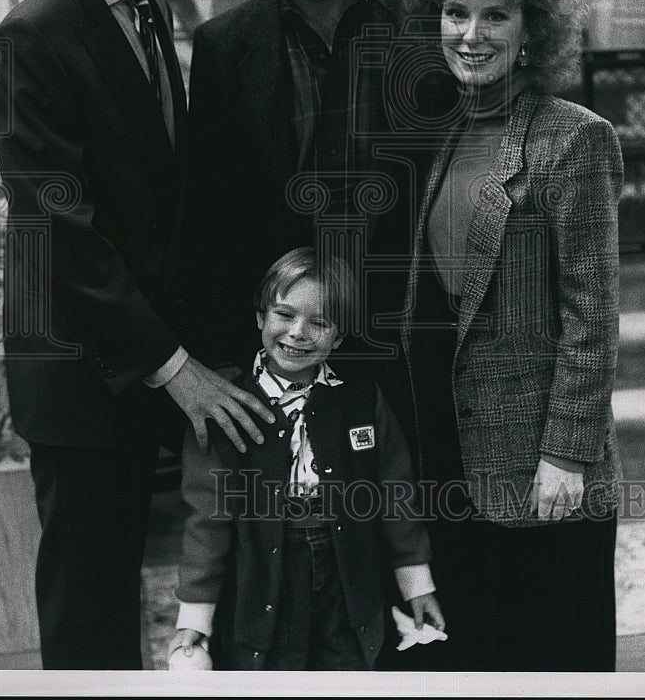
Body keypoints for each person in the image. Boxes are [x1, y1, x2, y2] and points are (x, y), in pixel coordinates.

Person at [0, 0, 274, 670]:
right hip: (81, 373)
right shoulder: (31, 36)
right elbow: (56, 230)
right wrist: (175, 367)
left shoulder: (150, 15)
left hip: (153, 355)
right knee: (91, 609)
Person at [386, 0, 624, 672]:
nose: (472, 33)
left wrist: (566, 453)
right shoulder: (449, 133)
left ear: (533, 29)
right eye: (458, 12)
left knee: (556, 663)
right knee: (485, 662)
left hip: (546, 468)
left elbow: (594, 318)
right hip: (458, 462)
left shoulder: (573, 138)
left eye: (496, 14)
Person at [185, 0, 450, 372]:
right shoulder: (223, 47)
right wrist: (223, 356)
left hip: (409, 335)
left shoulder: (428, 24)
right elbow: (211, 218)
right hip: (287, 343)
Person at [168, 246, 446, 671]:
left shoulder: (361, 400)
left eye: (319, 322)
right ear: (260, 317)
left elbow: (396, 495)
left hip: (347, 574)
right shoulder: (225, 407)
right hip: (263, 575)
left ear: (337, 337)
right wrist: (195, 618)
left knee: (348, 666)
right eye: (284, 315)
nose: (298, 333)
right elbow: (208, 520)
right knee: (275, 666)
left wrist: (417, 587)